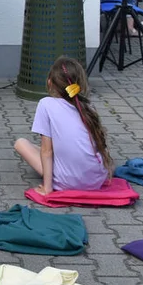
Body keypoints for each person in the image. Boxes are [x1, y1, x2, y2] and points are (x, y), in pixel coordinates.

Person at [13, 57, 112, 194]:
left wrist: (47, 188)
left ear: (50, 83)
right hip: (96, 181)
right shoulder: (88, 106)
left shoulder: (46, 104)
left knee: (21, 143)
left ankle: (56, 179)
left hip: (67, 182)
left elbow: (47, 151)